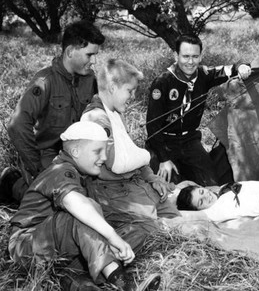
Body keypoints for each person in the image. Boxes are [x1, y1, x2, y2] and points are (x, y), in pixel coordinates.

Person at [8, 121, 158, 291]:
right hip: (26, 246)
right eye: (97, 151)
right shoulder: (59, 170)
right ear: (76, 152)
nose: (104, 157)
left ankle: (87, 280)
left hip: (54, 253)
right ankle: (124, 284)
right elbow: (76, 204)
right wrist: (112, 237)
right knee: (83, 216)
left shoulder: (82, 175)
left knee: (134, 231)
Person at [2, 20, 105, 203]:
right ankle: (13, 183)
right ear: (70, 52)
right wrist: (38, 169)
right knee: (56, 204)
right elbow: (17, 126)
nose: (94, 61)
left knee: (100, 193)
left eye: (95, 55)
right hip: (46, 154)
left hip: (77, 152)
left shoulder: (90, 79)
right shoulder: (44, 81)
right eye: (89, 55)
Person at [81, 58, 179, 222]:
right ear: (113, 88)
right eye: (129, 90)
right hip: (114, 191)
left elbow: (130, 151)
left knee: (174, 217)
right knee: (155, 232)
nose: (133, 96)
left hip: (133, 183)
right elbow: (119, 164)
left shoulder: (116, 114)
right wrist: (144, 159)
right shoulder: (98, 119)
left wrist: (152, 178)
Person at [146, 34, 251, 186]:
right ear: (176, 55)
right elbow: (152, 126)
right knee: (170, 188)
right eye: (185, 56)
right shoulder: (162, 82)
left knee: (212, 185)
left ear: (201, 56)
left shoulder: (204, 74)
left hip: (190, 140)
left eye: (195, 56)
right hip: (163, 142)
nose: (190, 62)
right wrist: (163, 159)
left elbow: (230, 69)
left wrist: (241, 66)